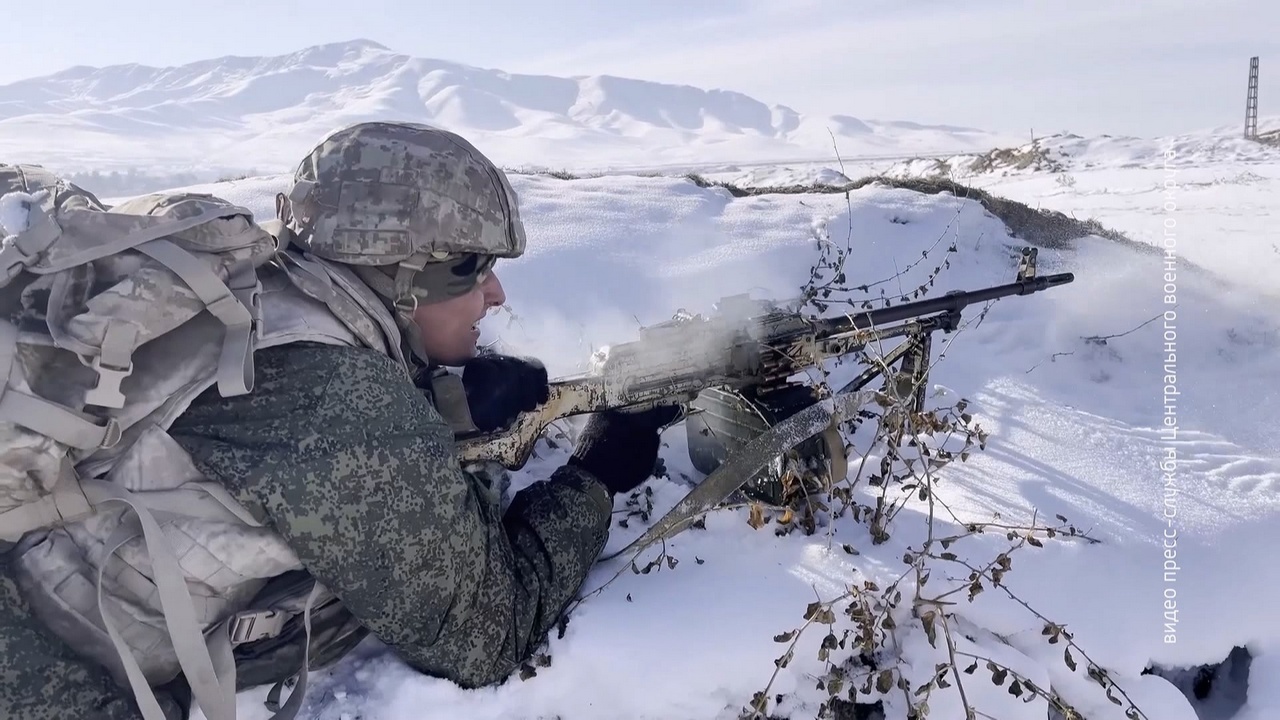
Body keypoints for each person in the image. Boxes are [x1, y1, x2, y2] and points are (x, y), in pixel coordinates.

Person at [0, 121, 679, 720]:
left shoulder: (262, 289)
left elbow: (275, 432)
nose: (496, 293)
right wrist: (594, 477)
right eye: (471, 270)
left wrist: (441, 404)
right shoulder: (337, 400)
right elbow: (484, 635)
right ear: (400, 275)